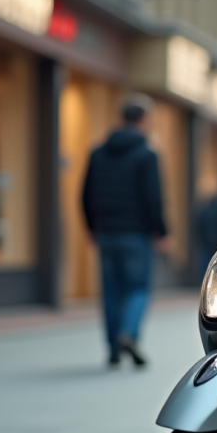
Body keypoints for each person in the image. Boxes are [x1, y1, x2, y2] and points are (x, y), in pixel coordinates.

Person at [81, 96, 168, 368]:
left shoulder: (98, 153)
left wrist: (92, 227)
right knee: (138, 288)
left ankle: (113, 349)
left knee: (110, 291)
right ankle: (128, 334)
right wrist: (161, 231)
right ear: (143, 120)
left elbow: (85, 194)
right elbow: (153, 197)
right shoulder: (147, 154)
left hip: (106, 232)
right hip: (137, 234)